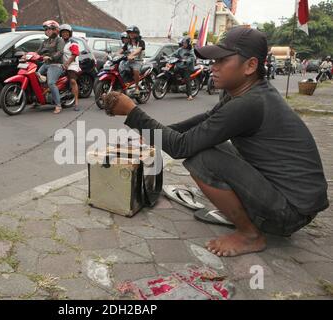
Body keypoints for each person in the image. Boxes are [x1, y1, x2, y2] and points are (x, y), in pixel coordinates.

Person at [103, 27, 329, 257]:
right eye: (214, 60)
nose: (214, 66)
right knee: (207, 144)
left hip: (290, 211)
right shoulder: (244, 93)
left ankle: (250, 234)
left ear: (250, 66)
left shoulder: (249, 104)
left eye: (222, 60)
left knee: (202, 158)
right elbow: (207, 121)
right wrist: (156, 133)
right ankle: (251, 216)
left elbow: (181, 147)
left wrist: (133, 112)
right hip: (290, 199)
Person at [37, 20, 65, 114]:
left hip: (56, 64)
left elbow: (60, 52)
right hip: (46, 64)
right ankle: (38, 99)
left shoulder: (59, 40)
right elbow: (38, 52)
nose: (48, 31)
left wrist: (51, 57)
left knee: (51, 83)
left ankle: (58, 105)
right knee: (36, 76)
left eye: (50, 29)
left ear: (56, 30)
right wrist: (27, 55)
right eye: (46, 29)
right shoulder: (45, 42)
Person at [117, 26, 146, 96]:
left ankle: (136, 88)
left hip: (138, 61)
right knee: (119, 67)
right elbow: (121, 50)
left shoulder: (141, 42)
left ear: (137, 34)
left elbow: (138, 50)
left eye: (133, 33)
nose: (131, 34)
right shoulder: (128, 43)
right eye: (129, 33)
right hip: (128, 61)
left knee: (135, 70)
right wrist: (115, 55)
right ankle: (124, 83)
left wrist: (131, 55)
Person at [59, 24, 81, 112]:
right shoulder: (60, 42)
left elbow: (75, 54)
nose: (65, 34)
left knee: (72, 81)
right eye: (63, 32)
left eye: (66, 32)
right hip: (62, 64)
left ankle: (76, 103)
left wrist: (67, 63)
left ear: (70, 33)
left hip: (72, 65)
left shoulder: (73, 42)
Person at [172, 36, 196, 101]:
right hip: (180, 66)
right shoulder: (180, 49)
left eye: (185, 43)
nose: (184, 44)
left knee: (187, 79)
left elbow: (192, 58)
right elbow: (174, 54)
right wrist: (168, 57)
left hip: (187, 67)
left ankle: (190, 95)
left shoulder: (191, 50)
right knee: (172, 72)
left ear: (188, 44)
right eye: (183, 43)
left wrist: (187, 60)